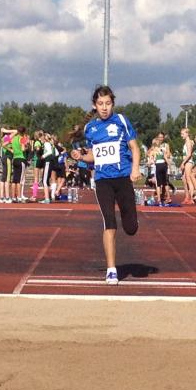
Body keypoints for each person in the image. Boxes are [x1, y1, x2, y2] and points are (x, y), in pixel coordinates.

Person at [70, 85, 141, 285]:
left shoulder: (121, 121)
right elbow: (93, 155)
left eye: (108, 103)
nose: (104, 107)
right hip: (102, 181)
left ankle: (132, 219)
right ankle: (111, 270)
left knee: (130, 228)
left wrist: (135, 169)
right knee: (109, 222)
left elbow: (134, 148)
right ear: (95, 105)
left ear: (113, 104)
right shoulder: (90, 128)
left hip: (123, 178)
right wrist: (80, 156)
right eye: (100, 104)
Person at [180, 128, 196, 204]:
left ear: (187, 134)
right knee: (184, 180)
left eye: (183, 134)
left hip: (188, 162)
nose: (181, 135)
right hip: (186, 162)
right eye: (181, 134)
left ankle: (191, 198)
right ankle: (187, 197)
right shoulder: (187, 142)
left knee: (188, 180)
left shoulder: (188, 142)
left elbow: (189, 154)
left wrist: (183, 163)